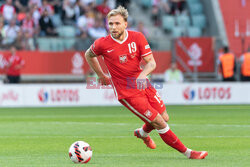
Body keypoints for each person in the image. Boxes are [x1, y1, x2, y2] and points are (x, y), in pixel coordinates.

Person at [85, 6, 208, 159]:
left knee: (164, 117)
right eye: (110, 24)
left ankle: (142, 133)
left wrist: (143, 75)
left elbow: (151, 63)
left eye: (117, 23)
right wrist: (101, 75)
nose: (113, 27)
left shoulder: (137, 37)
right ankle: (189, 153)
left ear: (125, 24)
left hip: (143, 84)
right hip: (127, 92)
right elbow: (88, 54)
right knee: (159, 122)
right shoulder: (102, 43)